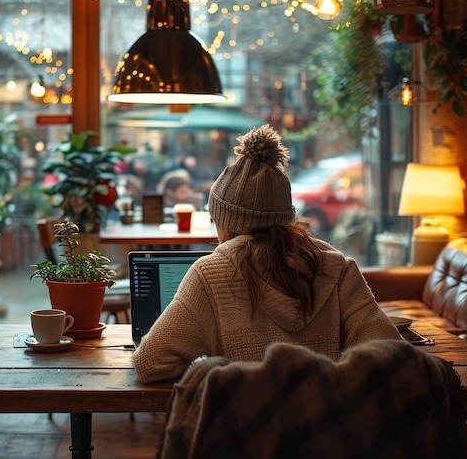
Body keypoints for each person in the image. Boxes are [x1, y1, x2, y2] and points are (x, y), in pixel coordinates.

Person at [133, 124, 400, 384]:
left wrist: (217, 369)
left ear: (226, 221)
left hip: (245, 427)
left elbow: (150, 363)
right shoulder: (337, 268)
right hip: (329, 427)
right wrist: (331, 381)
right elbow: (392, 356)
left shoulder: (209, 274)